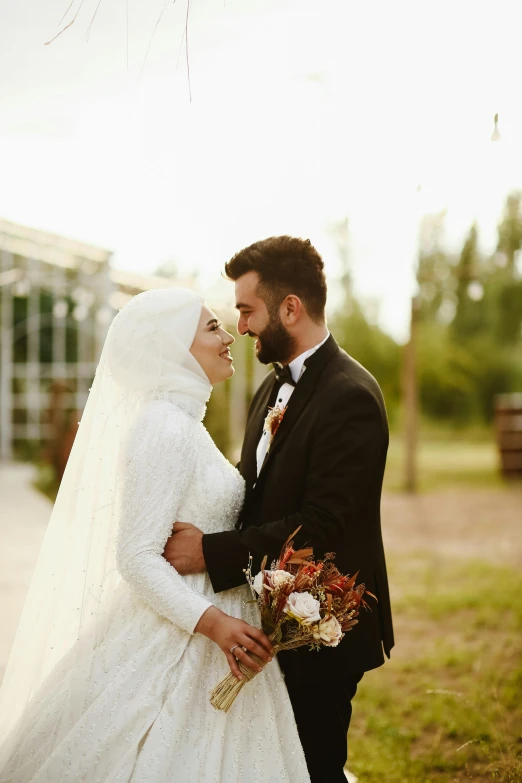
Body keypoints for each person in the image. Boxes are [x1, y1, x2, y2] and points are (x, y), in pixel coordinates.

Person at [0, 287, 310, 783]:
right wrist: (216, 626)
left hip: (214, 621)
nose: (228, 334)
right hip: (186, 633)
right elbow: (137, 556)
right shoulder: (164, 427)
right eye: (211, 327)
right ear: (172, 347)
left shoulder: (184, 423)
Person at [164, 236, 395, 783]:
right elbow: (256, 492)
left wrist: (208, 553)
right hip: (269, 619)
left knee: (313, 768)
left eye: (247, 310)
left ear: (291, 307)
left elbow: (320, 525)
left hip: (322, 628)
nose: (239, 326)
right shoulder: (270, 388)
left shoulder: (351, 397)